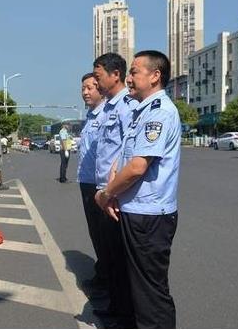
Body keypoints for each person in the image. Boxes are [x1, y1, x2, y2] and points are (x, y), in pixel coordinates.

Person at [95, 50, 180, 328]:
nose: (129, 78)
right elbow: (123, 159)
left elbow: (137, 167)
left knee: (150, 293)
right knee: (136, 287)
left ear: (155, 76)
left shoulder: (159, 113)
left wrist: (107, 194)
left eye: (134, 72)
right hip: (135, 210)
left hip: (150, 216)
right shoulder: (141, 110)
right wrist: (113, 186)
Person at [92, 52, 138, 327]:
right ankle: (116, 306)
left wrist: (112, 192)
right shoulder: (110, 107)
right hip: (104, 192)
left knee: (120, 258)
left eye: (98, 77)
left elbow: (126, 155)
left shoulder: (126, 107)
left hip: (116, 194)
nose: (96, 83)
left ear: (115, 74)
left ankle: (124, 314)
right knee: (110, 255)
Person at [76, 73, 108, 293]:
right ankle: (103, 274)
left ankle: (108, 281)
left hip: (100, 186)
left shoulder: (107, 116)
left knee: (104, 236)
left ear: (101, 88)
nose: (85, 92)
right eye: (83, 89)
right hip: (87, 182)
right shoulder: (90, 117)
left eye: (90, 88)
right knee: (95, 233)